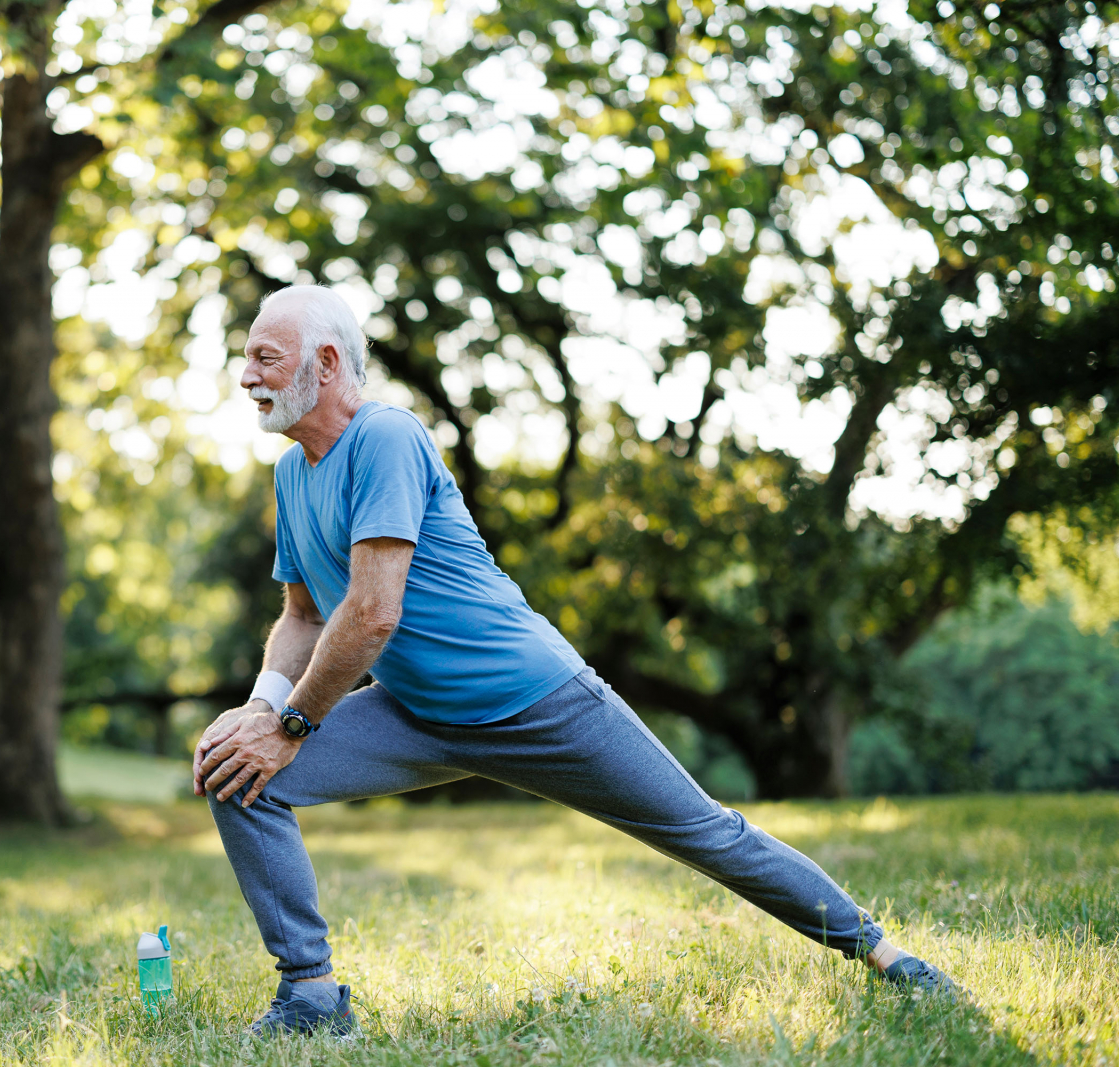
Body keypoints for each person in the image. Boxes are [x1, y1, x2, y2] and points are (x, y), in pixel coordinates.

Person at [193, 285, 953, 1038]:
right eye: (247, 359)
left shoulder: (385, 437)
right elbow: (305, 613)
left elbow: (371, 612)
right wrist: (260, 712)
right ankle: (313, 994)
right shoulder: (294, 475)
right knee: (238, 773)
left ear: (325, 363)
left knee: (706, 833)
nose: (247, 376)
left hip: (536, 698)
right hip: (416, 714)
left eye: (265, 357)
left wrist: (292, 721)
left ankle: (891, 958)